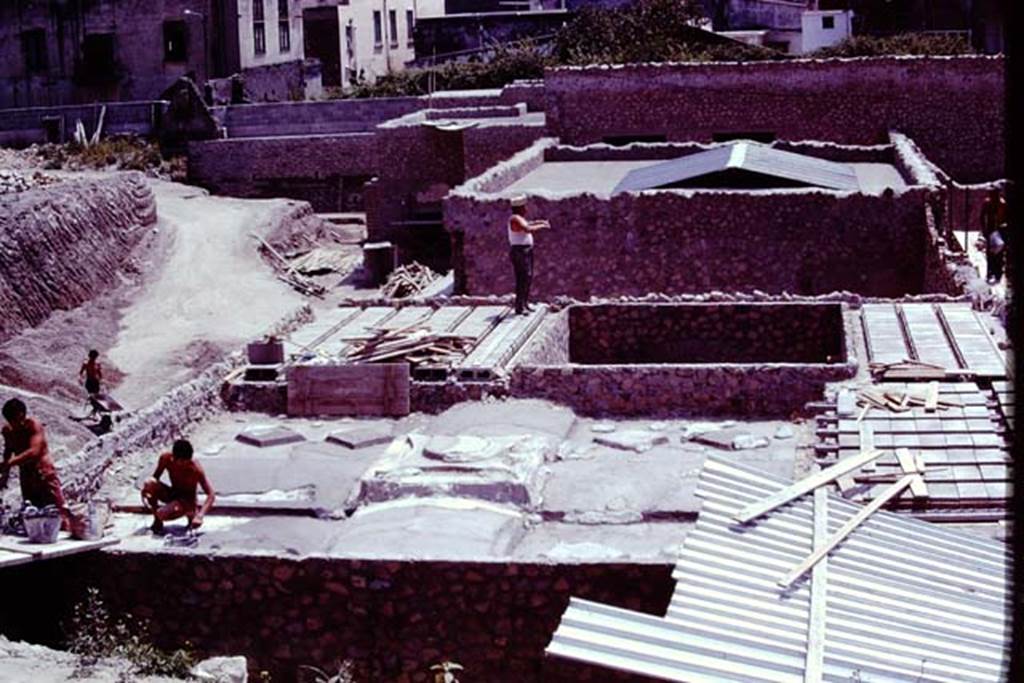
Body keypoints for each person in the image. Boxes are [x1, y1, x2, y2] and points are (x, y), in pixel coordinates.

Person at [1, 398, 67, 514]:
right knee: (32, 512)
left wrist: (9, 463)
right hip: (26, 476)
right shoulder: (8, 431)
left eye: (18, 419)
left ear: (23, 415)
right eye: (12, 421)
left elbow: (34, 451)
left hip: (43, 473)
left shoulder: (33, 426)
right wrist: (4, 476)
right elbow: (8, 452)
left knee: (58, 511)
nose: (16, 424)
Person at [140, 439, 215, 534]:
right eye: (182, 461)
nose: (185, 464)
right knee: (149, 483)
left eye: (187, 461)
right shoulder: (165, 459)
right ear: (174, 458)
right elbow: (155, 478)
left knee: (162, 513)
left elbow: (211, 494)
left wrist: (200, 515)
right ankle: (157, 522)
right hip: (173, 493)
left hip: (187, 500)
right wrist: (146, 491)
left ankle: (191, 514)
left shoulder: (195, 469)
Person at [507, 195, 550, 315]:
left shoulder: (520, 218)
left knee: (527, 277)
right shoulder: (515, 219)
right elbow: (527, 228)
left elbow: (529, 223)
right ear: (520, 208)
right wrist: (542, 226)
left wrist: (539, 222)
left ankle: (524, 304)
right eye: (524, 207)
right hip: (520, 251)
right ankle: (520, 307)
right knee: (523, 278)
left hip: (525, 250)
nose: (526, 209)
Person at [980, 188, 1007, 284]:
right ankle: (991, 273)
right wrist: (984, 230)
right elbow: (982, 217)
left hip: (999, 231)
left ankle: (997, 273)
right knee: (991, 253)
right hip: (991, 230)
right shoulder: (988, 203)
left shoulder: (1002, 204)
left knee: (999, 253)